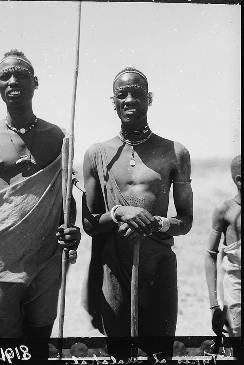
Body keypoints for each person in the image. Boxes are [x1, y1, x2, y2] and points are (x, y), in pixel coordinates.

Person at [0, 49, 81, 358]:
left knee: (37, 348)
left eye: (21, 73)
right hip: (1, 263)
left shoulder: (61, 136)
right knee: (8, 349)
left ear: (35, 83)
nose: (13, 80)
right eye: (5, 75)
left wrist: (72, 230)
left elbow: (66, 200)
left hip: (46, 263)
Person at [82, 67, 193, 359]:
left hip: (158, 267)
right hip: (115, 268)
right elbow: (90, 223)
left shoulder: (175, 152)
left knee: (160, 354)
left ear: (150, 98)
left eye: (137, 93)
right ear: (113, 102)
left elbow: (186, 221)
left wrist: (156, 222)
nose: (129, 99)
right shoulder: (97, 154)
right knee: (121, 354)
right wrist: (119, 212)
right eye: (122, 95)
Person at [205, 155, 241, 340]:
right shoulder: (225, 210)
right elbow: (210, 255)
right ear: (239, 181)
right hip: (236, 295)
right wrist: (214, 306)